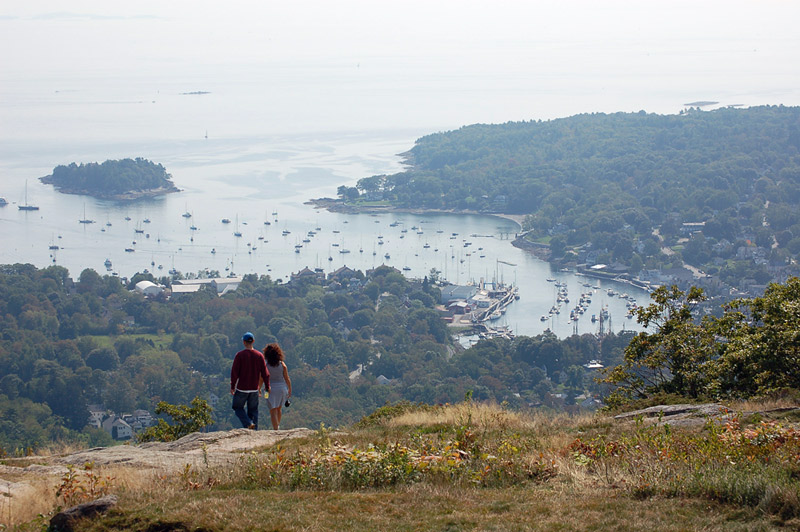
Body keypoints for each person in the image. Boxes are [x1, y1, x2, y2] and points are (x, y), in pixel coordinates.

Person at [231, 332, 269, 429]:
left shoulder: (239, 355)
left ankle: (248, 423)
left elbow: (234, 372)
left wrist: (232, 386)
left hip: (242, 388)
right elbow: (265, 373)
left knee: (237, 407)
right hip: (254, 389)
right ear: (253, 341)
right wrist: (267, 387)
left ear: (244, 342)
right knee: (253, 411)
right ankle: (254, 430)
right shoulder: (259, 356)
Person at [263, 343, 292, 430]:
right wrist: (289, 389)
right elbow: (287, 378)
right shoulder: (282, 365)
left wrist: (259, 388)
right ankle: (277, 426)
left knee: (272, 410)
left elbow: (261, 378)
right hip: (282, 389)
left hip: (269, 390)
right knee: (279, 409)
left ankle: (276, 429)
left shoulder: (266, 366)